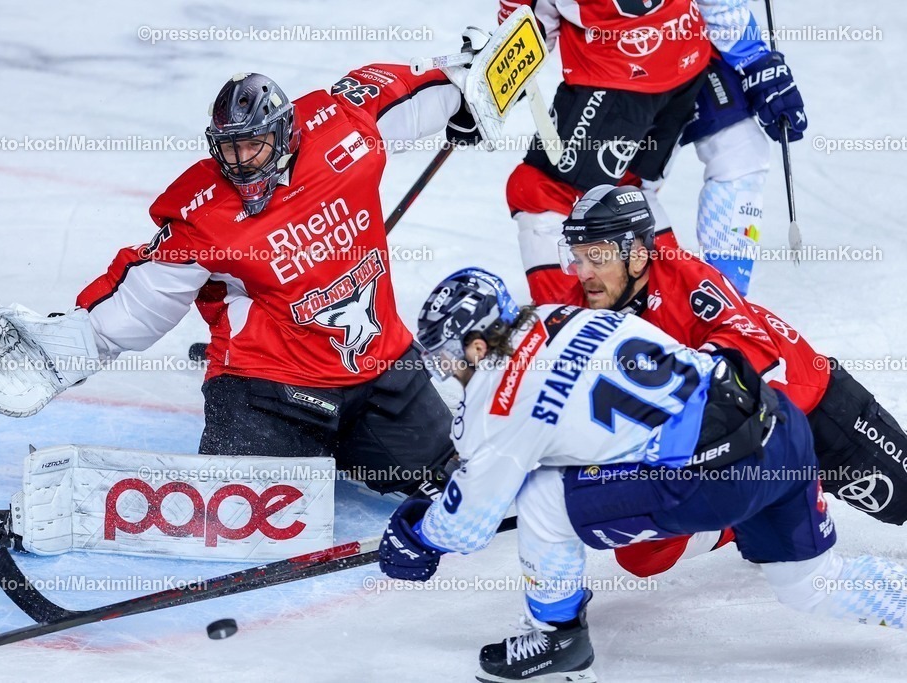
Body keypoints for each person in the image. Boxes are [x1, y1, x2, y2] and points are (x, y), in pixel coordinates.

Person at [0, 63, 484, 496]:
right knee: (235, 512)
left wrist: (468, 88)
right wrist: (69, 346)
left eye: (252, 146)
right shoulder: (205, 211)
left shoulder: (342, 128)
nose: (238, 162)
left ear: (284, 132)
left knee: (448, 485)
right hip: (271, 388)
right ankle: (301, 455)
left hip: (380, 369)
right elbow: (144, 300)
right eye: (229, 148)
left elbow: (408, 93)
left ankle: (351, 447)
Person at [377, 264, 907, 682]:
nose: (446, 369)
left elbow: (469, 522)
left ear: (475, 345)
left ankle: (556, 638)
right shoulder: (563, 314)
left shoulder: (496, 404)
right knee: (813, 584)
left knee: (542, 501)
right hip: (778, 427)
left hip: (716, 478)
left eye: (446, 355)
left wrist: (418, 536)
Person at [554, 184, 907, 577]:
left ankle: (792, 487)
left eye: (597, 257)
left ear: (637, 254)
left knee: (903, 497)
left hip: (814, 409)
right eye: (577, 258)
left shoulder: (686, 280)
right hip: (739, 442)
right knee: (640, 553)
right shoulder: (582, 305)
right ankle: (749, 511)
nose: (583, 273)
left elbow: (751, 345)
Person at [496, 0, 807, 299]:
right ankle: (574, 325)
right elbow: (526, 28)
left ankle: (721, 304)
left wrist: (755, 59)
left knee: (741, 150)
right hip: (616, 78)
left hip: (688, 58)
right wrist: (498, 78)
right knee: (554, 192)